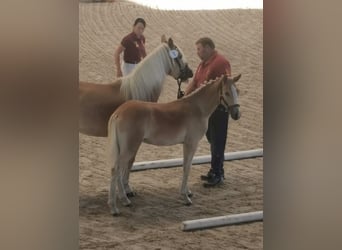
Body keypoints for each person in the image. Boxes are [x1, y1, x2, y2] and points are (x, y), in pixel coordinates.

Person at [184, 37, 231, 187]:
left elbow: (226, 85)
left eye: (200, 49)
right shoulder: (202, 64)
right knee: (212, 139)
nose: (198, 52)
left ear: (209, 48)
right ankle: (215, 170)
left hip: (218, 108)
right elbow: (195, 82)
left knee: (218, 141)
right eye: (197, 49)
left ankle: (218, 173)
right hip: (206, 110)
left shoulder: (221, 63)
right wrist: (185, 96)